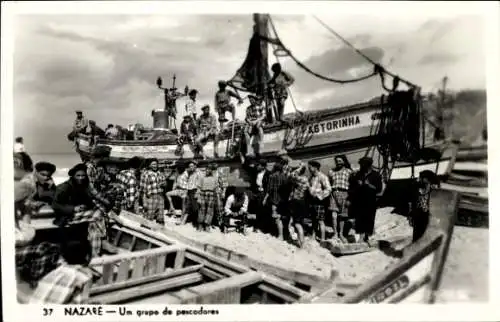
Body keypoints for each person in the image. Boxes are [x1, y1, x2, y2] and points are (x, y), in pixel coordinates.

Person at [29, 240, 93, 304]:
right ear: (87, 257)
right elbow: (84, 304)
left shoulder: (53, 272)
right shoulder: (85, 278)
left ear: (63, 256)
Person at [348, 156, 383, 244]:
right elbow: (352, 187)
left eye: (364, 165)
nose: (362, 166)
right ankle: (361, 237)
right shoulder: (358, 175)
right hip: (359, 200)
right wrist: (357, 185)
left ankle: (367, 237)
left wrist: (368, 185)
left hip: (370, 201)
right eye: (361, 165)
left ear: (369, 165)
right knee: (360, 219)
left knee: (369, 219)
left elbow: (379, 189)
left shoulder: (376, 175)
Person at [328, 155, 353, 243]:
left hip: (344, 194)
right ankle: (335, 234)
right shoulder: (331, 172)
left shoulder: (349, 172)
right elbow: (330, 183)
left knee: (342, 216)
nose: (338, 163)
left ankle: (341, 234)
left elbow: (352, 184)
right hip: (334, 193)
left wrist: (350, 197)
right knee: (333, 215)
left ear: (344, 162)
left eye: (340, 161)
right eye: (337, 161)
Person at [409, 170, 438, 243]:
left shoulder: (432, 188)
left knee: (424, 233)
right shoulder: (415, 187)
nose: (420, 179)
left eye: (422, 178)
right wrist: (410, 216)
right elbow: (412, 203)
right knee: (417, 235)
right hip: (418, 214)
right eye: (420, 178)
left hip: (426, 214)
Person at [263, 162, 289, 240]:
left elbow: (269, 189)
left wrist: (265, 199)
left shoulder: (272, 176)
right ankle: (285, 234)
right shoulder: (284, 176)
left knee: (276, 217)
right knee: (282, 217)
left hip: (275, 199)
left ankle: (280, 235)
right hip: (283, 200)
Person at [308, 160, 332, 242]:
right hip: (313, 201)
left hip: (319, 202)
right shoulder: (311, 177)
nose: (309, 169)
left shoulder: (322, 176)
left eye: (310, 167)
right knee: (314, 219)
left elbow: (328, 189)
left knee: (321, 221)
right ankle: (313, 236)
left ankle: (322, 238)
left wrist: (319, 196)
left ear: (315, 167)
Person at [196, 163, 224, 231]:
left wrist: (220, 193)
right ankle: (200, 224)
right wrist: (198, 196)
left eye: (210, 169)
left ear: (212, 170)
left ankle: (207, 225)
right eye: (207, 169)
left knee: (210, 210)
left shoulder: (214, 178)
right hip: (203, 193)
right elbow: (199, 187)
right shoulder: (202, 178)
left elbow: (217, 188)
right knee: (201, 209)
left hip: (211, 194)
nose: (208, 171)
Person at [139, 158, 167, 223]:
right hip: (150, 197)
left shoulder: (160, 173)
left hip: (160, 196)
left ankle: (159, 231)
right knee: (148, 217)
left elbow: (165, 183)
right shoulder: (145, 174)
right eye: (153, 164)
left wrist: (164, 184)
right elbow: (142, 189)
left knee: (160, 217)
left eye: (156, 164)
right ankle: (145, 230)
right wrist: (144, 202)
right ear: (149, 165)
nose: (155, 165)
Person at [288, 162, 309, 247]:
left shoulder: (298, 178)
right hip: (302, 202)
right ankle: (300, 240)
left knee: (297, 223)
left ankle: (302, 243)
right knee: (298, 222)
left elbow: (291, 175)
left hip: (296, 202)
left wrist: (299, 167)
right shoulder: (305, 179)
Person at [177, 161, 201, 225]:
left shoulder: (198, 173)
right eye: (190, 166)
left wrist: (197, 192)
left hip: (194, 191)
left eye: (192, 166)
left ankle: (197, 222)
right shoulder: (190, 173)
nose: (191, 167)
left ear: (195, 166)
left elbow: (199, 184)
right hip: (189, 191)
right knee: (188, 206)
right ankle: (184, 221)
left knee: (195, 207)